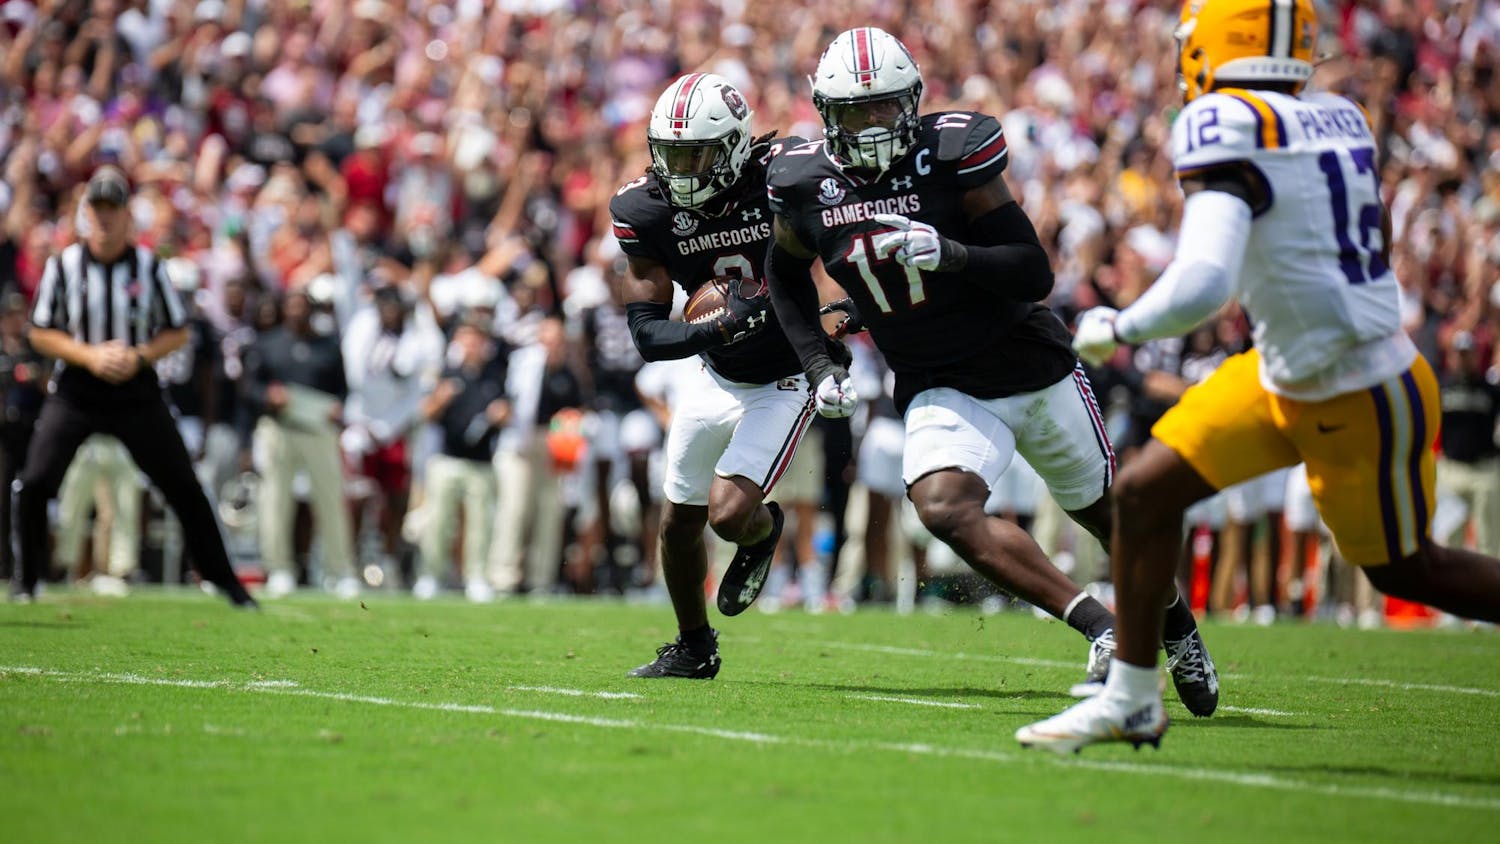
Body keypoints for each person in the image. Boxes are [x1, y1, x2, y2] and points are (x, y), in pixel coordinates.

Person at [1018, 0, 1500, 753]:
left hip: (1358, 387)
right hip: (1286, 372)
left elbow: (1207, 279)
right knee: (1143, 494)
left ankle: (1134, 694)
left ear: (1220, 42)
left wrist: (1122, 325)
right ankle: (1134, 700)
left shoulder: (1224, 123)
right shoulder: (1336, 112)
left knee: (1409, 571)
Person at [764, 27, 1217, 708]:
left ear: (912, 103)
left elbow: (1032, 271)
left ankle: (1176, 621)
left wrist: (953, 255)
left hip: (1027, 366)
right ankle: (1101, 626)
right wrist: (817, 362)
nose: (871, 124)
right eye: (855, 111)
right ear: (825, 113)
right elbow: (784, 272)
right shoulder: (803, 181)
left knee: (1109, 518)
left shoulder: (951, 154)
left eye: (884, 107)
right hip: (937, 381)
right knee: (943, 506)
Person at [611, 72, 826, 678]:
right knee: (679, 519)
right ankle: (694, 647)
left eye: (694, 154)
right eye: (668, 153)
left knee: (728, 514)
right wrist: (716, 331)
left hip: (785, 374)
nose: (678, 169)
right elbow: (649, 336)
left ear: (733, 146)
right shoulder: (645, 210)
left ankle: (759, 534)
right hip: (717, 371)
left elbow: (840, 242)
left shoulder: (783, 179)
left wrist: (841, 318)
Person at [12, 166, 255, 608]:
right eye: (97, 208)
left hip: (135, 389)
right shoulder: (64, 266)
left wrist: (139, 356)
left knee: (183, 485)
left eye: (113, 209)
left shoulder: (148, 265)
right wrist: (89, 355)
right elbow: (39, 332)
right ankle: (28, 581)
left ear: (127, 216)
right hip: (78, 388)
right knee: (35, 482)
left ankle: (226, 582)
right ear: (87, 214)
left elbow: (178, 331)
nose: (104, 218)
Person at [243, 287, 357, 600]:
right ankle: (278, 568)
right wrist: (268, 397)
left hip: (319, 431)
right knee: (275, 500)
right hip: (279, 428)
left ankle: (340, 570)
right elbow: (250, 387)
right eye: (291, 305)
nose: (296, 311)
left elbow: (342, 390)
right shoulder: (268, 344)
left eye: (301, 306)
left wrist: (337, 407)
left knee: (330, 499)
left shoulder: (328, 346)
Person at [416, 313, 509, 602]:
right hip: (447, 458)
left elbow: (507, 414)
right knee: (438, 522)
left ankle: (477, 578)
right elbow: (426, 414)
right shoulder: (447, 373)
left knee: (482, 525)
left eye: (477, 339)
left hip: (481, 461)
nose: (472, 344)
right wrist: (440, 399)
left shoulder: (495, 377)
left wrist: (501, 417)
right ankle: (431, 576)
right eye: (467, 338)